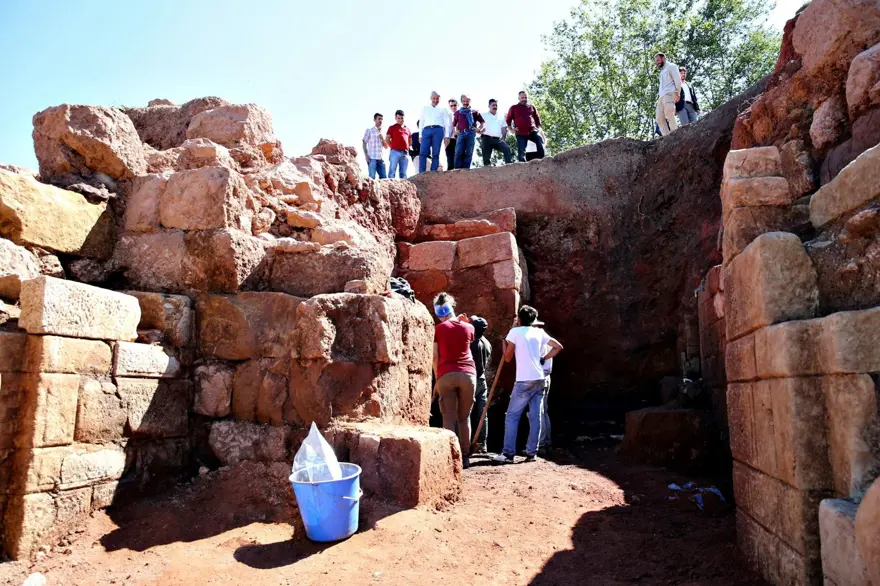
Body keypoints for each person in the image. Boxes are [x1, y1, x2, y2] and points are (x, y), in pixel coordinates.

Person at [493, 306, 563, 464]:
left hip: (524, 379)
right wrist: (543, 358)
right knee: (536, 416)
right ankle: (532, 452)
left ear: (519, 319)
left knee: (512, 416)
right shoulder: (539, 332)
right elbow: (558, 347)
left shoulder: (515, 332)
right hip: (539, 378)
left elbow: (508, 357)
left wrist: (504, 343)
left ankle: (508, 453)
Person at [432, 292, 477, 468]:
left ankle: (450, 458)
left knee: (448, 418)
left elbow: (435, 357)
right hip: (468, 374)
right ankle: (465, 457)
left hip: (445, 374)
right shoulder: (469, 328)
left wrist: (437, 380)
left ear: (438, 312)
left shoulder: (438, 329)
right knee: (464, 418)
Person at [468, 316, 491, 454]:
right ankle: (482, 444)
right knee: (482, 414)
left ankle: (464, 443)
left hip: (471, 379)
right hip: (482, 380)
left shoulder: (471, 343)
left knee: (465, 413)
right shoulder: (487, 343)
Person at [506, 90, 544, 162]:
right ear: (519, 98)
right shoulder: (513, 108)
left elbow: (537, 117)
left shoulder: (531, 106)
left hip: (532, 131)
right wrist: (511, 129)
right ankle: (522, 166)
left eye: (525, 97)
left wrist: (539, 127)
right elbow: (508, 120)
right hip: (520, 133)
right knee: (521, 151)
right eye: (522, 97)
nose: (524, 99)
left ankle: (542, 161)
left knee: (539, 141)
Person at [419, 92, 451, 173]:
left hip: (438, 130)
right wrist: (420, 135)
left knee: (436, 152)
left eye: (437, 99)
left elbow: (447, 123)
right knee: (423, 152)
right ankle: (421, 172)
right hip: (426, 130)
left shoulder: (443, 109)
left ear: (439, 99)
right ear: (431, 98)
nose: (435, 100)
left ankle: (433, 171)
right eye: (434, 98)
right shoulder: (425, 108)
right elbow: (421, 122)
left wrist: (447, 136)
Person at [535, 321, 554, 455]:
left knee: (538, 411)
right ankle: (546, 441)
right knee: (544, 411)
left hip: (539, 376)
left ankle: (540, 444)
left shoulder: (537, 339)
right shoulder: (545, 338)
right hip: (546, 376)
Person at [452, 93, 484, 169]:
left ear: (470, 101)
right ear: (461, 102)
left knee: (469, 152)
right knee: (458, 152)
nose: (466, 103)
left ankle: (466, 170)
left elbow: (482, 122)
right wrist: (455, 130)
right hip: (461, 133)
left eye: (467, 101)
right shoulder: (458, 113)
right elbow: (454, 124)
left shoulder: (474, 112)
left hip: (471, 133)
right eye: (464, 101)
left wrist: (478, 129)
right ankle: (457, 170)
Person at [654, 53, 682, 136]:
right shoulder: (662, 71)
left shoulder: (672, 66)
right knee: (659, 118)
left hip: (669, 93)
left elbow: (677, 80)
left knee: (669, 114)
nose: (657, 62)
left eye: (658, 60)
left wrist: (678, 92)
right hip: (661, 96)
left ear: (663, 58)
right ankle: (666, 137)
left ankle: (675, 135)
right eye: (656, 61)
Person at [479, 99, 512, 165]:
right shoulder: (483, 115)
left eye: (496, 105)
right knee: (486, 158)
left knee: (506, 149)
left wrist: (503, 138)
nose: (495, 107)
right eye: (493, 105)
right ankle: (487, 169)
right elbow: (476, 125)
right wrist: (479, 131)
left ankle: (509, 166)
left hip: (497, 139)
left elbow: (504, 128)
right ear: (489, 106)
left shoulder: (500, 116)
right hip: (486, 138)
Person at [386, 110, 411, 178]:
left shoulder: (407, 129)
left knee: (403, 173)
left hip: (405, 153)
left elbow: (410, 140)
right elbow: (387, 140)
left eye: (401, 118)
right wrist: (393, 147)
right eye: (398, 118)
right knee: (392, 171)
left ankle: (404, 187)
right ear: (395, 118)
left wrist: (407, 147)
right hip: (395, 152)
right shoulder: (392, 127)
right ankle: (390, 187)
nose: (400, 120)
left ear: (404, 118)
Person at [362, 113, 388, 179]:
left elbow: (386, 147)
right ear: (374, 120)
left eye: (381, 119)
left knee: (384, 178)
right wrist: (366, 155)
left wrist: (382, 139)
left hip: (380, 158)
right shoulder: (370, 130)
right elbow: (364, 142)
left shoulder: (384, 132)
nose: (380, 121)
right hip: (372, 158)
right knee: (372, 178)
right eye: (379, 119)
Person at [445, 98, 458, 171]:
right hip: (449, 140)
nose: (453, 107)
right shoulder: (447, 116)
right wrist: (446, 139)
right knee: (450, 160)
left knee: (458, 159)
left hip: (459, 139)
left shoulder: (462, 114)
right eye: (451, 106)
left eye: (455, 105)